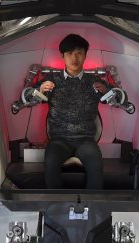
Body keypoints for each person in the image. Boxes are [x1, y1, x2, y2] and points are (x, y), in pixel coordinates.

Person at [39, 34, 109, 189]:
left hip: (86, 141)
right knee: (50, 164)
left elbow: (115, 97)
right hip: (59, 140)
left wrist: (106, 90)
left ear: (85, 55)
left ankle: (93, 206)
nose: (74, 58)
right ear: (62, 56)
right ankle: (56, 207)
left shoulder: (95, 82)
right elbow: (31, 95)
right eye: (70, 53)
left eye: (79, 53)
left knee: (96, 164)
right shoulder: (51, 80)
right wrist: (40, 89)